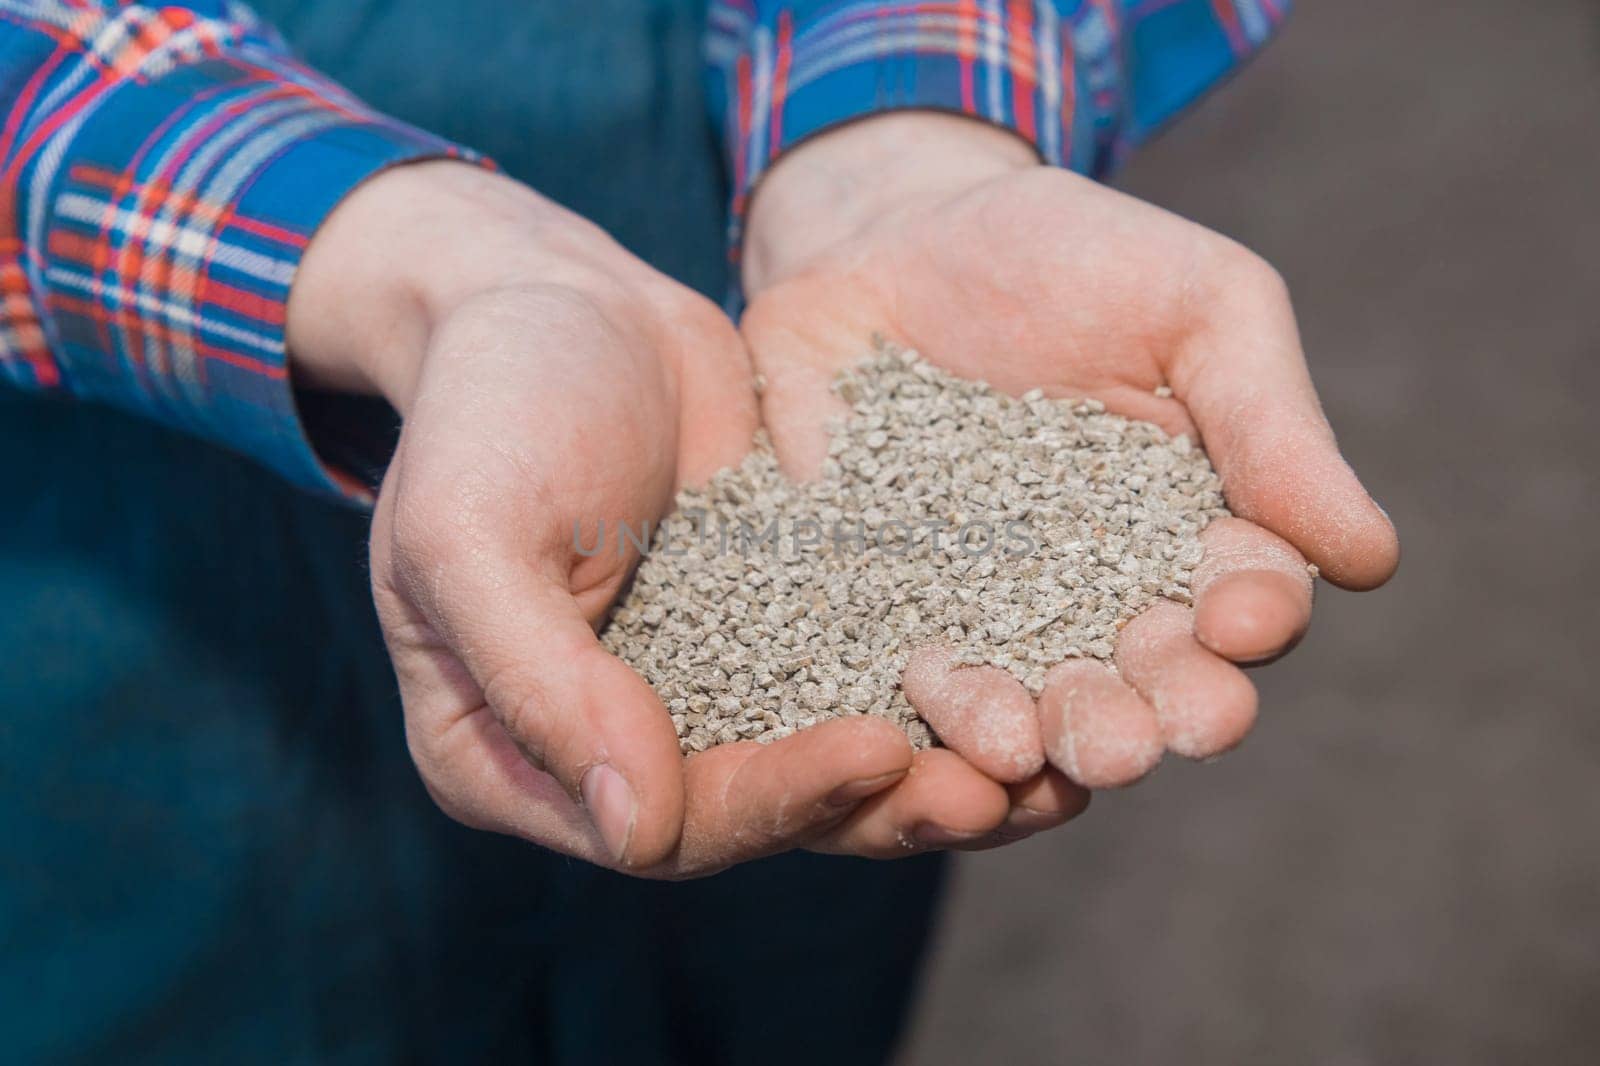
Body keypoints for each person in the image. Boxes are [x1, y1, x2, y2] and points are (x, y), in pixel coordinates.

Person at [0, 0, 1398, 1060]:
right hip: (111, 549)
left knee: (765, 960)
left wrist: (897, 140)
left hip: (702, 328)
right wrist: (425, 267)